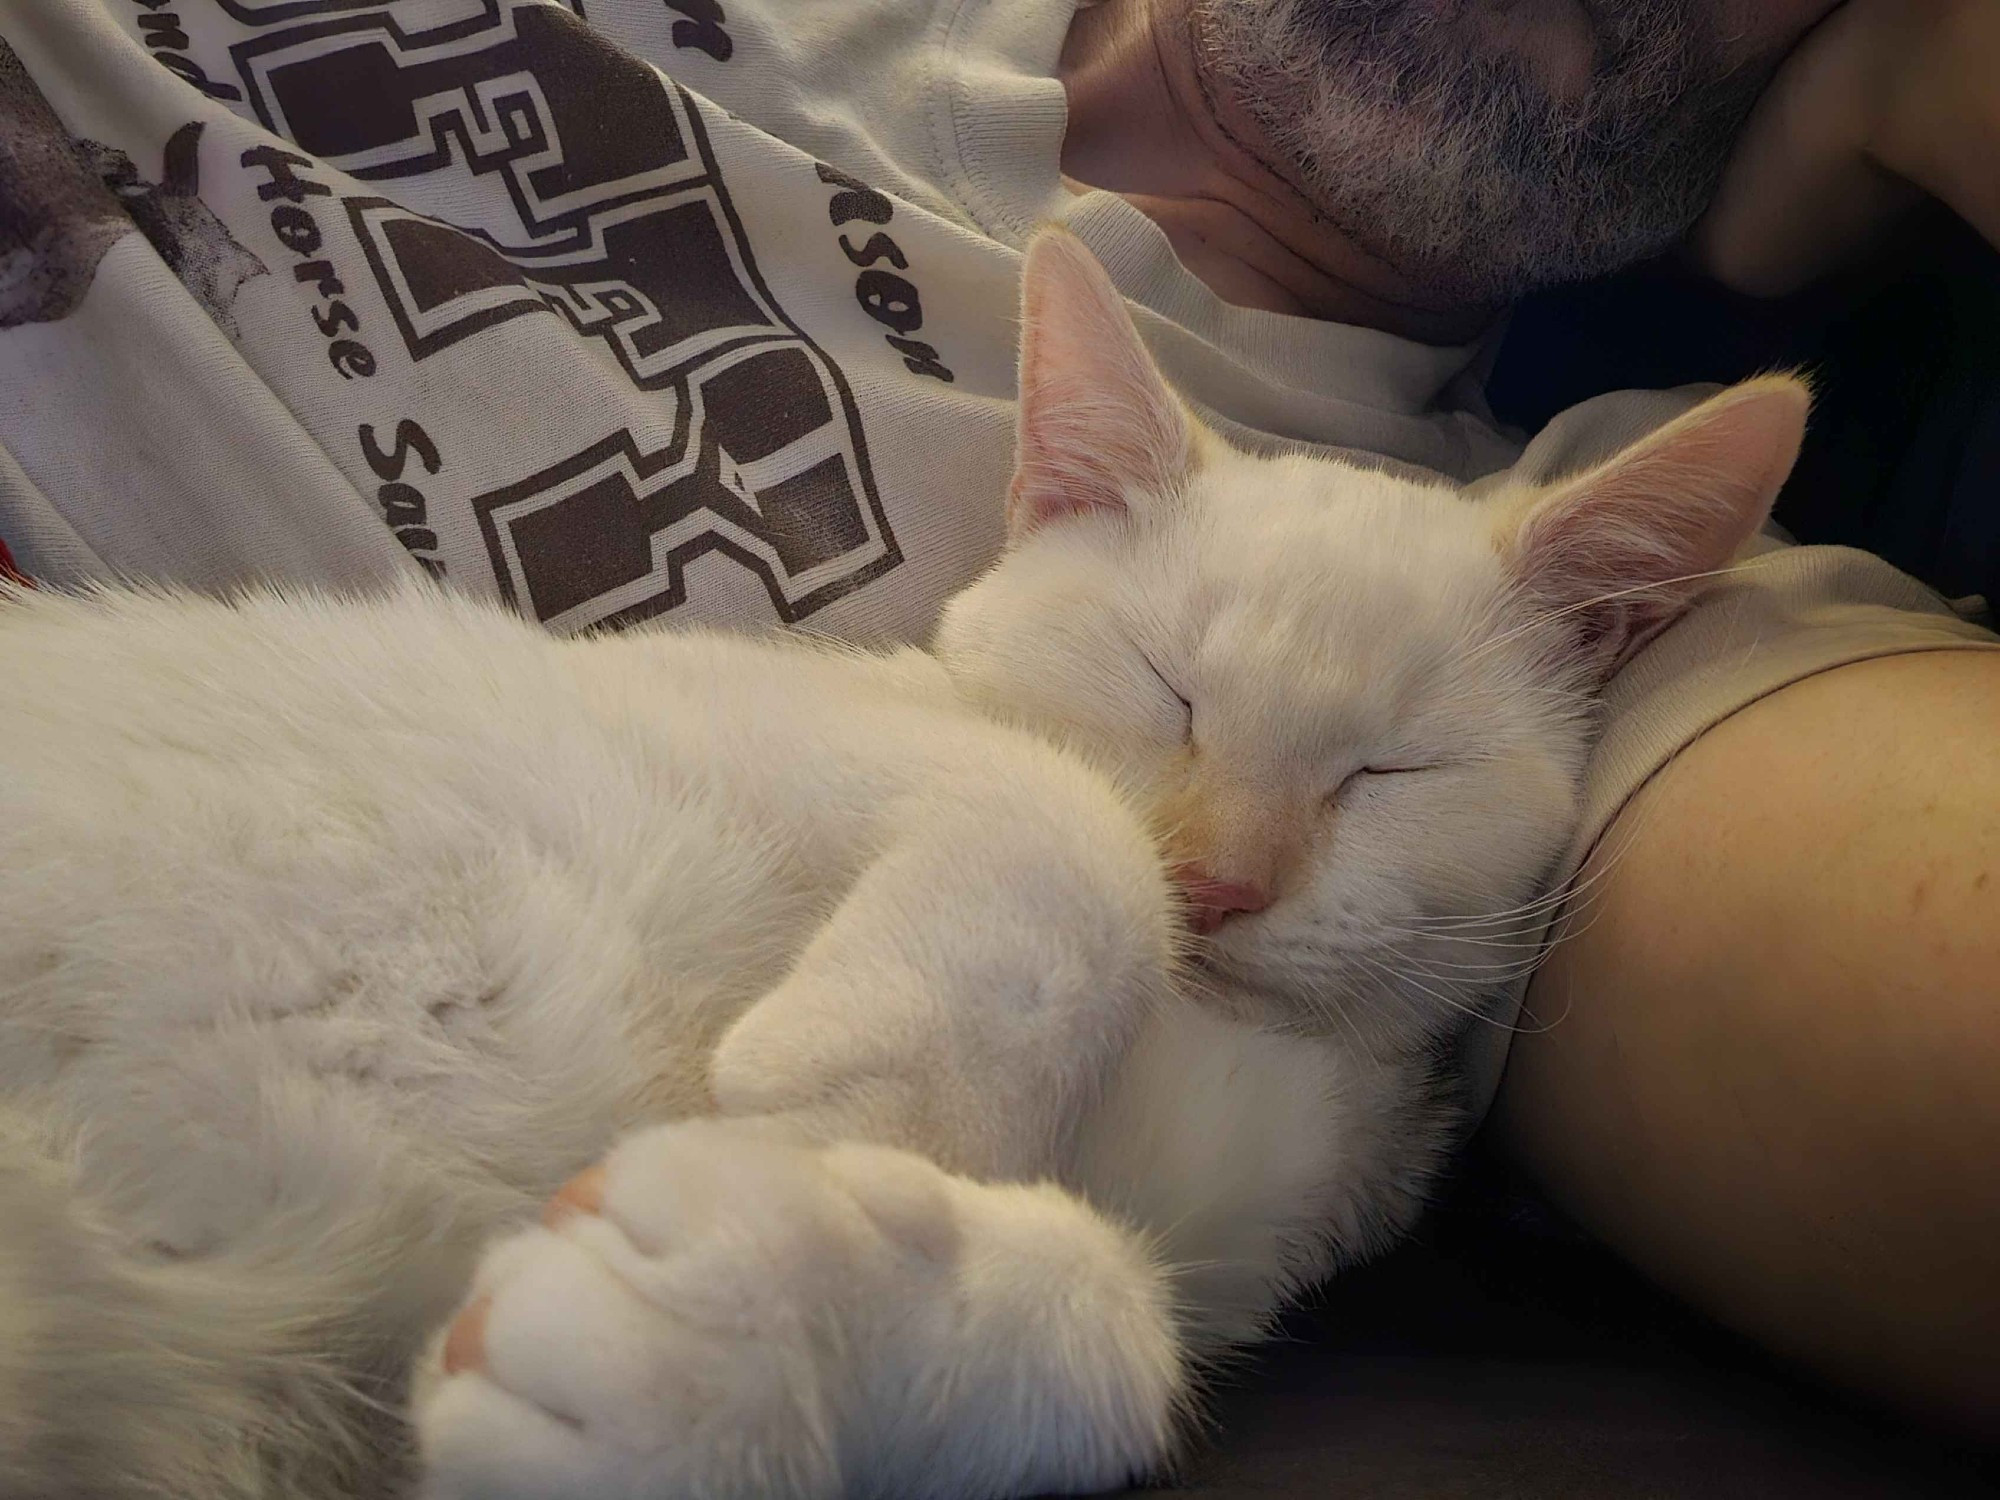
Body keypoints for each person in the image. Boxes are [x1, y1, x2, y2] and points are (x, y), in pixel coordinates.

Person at [0, 0, 1994, 1444]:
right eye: (1165, 724)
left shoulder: (1558, 554)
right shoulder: (1000, 733)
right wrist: (1043, 882)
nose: (1219, 865)